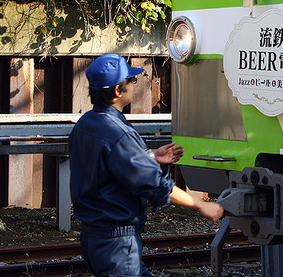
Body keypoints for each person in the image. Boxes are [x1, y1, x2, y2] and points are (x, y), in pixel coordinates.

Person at [69, 53, 223, 277]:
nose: (134, 84)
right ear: (117, 91)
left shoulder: (86, 124)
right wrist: (200, 205)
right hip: (117, 241)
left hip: (93, 237)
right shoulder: (118, 133)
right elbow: (154, 184)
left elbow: (106, 168)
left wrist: (149, 158)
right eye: (131, 81)